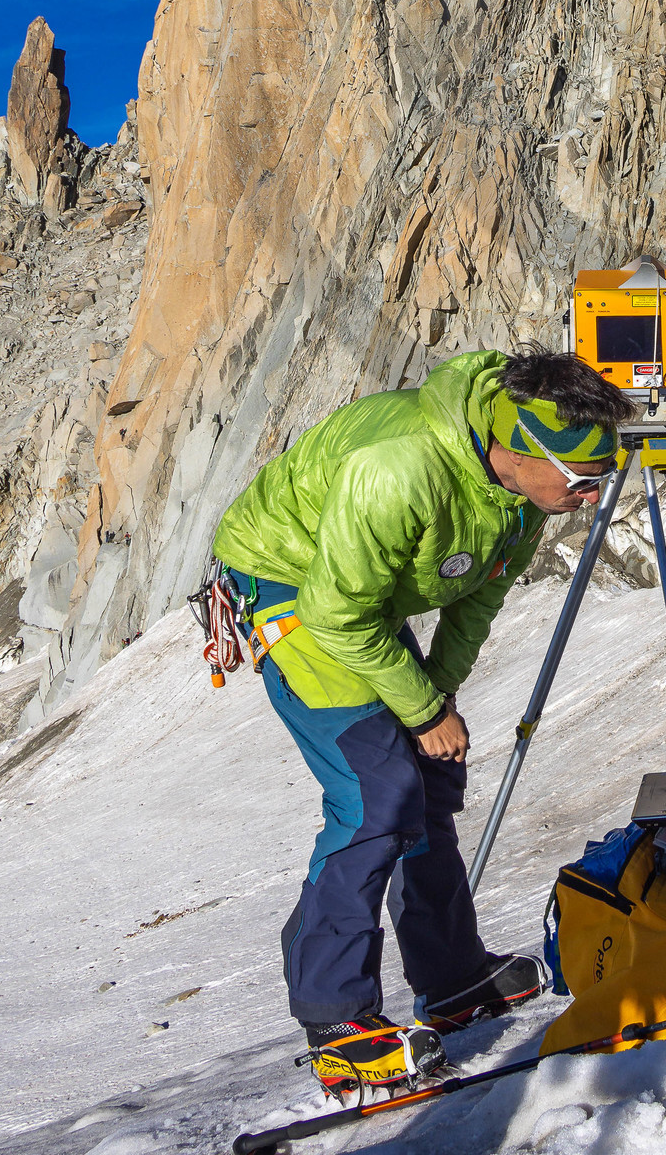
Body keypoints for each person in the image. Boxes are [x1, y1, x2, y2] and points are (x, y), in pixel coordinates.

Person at [210, 345, 627, 1091]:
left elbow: (480, 597)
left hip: (358, 592)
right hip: (294, 582)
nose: (595, 496)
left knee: (427, 774)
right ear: (522, 451)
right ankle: (336, 1020)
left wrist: (435, 698)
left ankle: (453, 977)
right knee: (376, 794)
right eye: (585, 481)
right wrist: (424, 708)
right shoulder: (402, 467)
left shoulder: (516, 494)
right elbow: (336, 613)